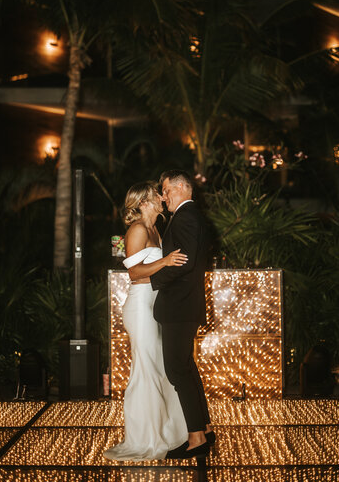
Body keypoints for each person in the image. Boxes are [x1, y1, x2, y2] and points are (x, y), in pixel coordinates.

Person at [103, 181, 188, 461]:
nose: (163, 197)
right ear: (144, 202)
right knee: (147, 371)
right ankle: (145, 439)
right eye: (157, 195)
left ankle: (168, 433)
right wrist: (165, 262)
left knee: (160, 370)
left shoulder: (155, 229)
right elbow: (135, 273)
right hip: (140, 306)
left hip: (155, 306)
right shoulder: (138, 229)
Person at [150, 170, 214, 460]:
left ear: (179, 187)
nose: (163, 197)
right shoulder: (193, 215)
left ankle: (196, 438)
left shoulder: (186, 216)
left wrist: (153, 280)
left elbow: (184, 262)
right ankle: (204, 429)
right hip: (184, 305)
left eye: (165, 190)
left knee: (177, 370)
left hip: (179, 306)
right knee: (186, 368)